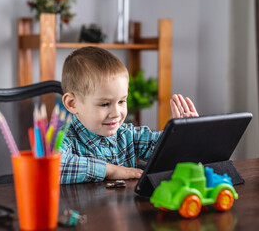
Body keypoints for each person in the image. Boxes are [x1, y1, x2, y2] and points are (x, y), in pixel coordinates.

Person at [60, 46, 198, 184]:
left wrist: (182, 134)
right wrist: (110, 170)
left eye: (121, 101)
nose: (116, 113)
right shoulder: (63, 137)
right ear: (73, 104)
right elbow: (53, 166)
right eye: (104, 104)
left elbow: (163, 149)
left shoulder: (127, 135)